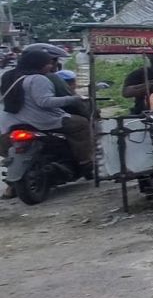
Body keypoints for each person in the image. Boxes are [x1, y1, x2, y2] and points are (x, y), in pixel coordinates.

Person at [0, 49, 93, 198]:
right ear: (39, 64)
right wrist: (76, 99)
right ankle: (85, 162)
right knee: (81, 124)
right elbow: (45, 101)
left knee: (7, 146)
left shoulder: (8, 76)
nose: (51, 66)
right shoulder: (38, 78)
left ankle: (11, 186)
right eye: (48, 63)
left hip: (11, 123)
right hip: (41, 121)